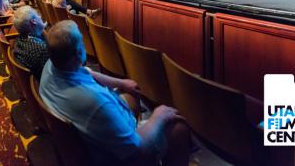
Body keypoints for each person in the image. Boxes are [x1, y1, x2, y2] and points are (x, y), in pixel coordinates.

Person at [40, 20, 190, 166]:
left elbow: (86, 72)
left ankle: (133, 125)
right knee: (178, 129)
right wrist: (158, 116)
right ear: (78, 53)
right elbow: (137, 148)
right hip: (116, 156)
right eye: (82, 43)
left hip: (88, 134)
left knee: (131, 91)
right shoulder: (95, 103)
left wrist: (121, 83)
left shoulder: (52, 65)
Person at [12, 6, 49, 80]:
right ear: (33, 22)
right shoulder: (41, 49)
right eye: (37, 15)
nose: (40, 16)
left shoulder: (20, 39)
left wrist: (41, 28)